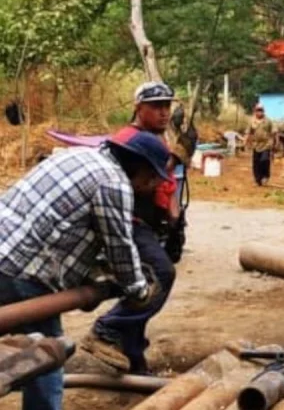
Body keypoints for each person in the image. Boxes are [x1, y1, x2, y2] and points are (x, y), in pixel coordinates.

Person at [0, 130, 167, 410]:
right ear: (140, 168)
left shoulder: (78, 156)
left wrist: (92, 277)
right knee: (48, 355)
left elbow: (67, 228)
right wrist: (138, 290)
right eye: (151, 179)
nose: (150, 186)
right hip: (21, 271)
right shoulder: (114, 183)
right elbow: (119, 246)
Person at [83, 81, 190, 375]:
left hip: (150, 222)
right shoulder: (128, 139)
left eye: (167, 106)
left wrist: (174, 218)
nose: (164, 112)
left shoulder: (156, 138)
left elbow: (163, 185)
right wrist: (176, 159)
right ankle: (107, 328)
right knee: (161, 274)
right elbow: (141, 181)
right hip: (131, 220)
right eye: (156, 107)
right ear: (138, 108)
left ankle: (134, 359)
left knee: (143, 286)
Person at [245, 103, 275, 186]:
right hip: (256, 145)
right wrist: (246, 142)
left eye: (261, 111)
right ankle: (258, 180)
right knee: (256, 163)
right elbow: (248, 132)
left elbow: (274, 132)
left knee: (264, 160)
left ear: (263, 111)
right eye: (258, 110)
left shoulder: (268, 121)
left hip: (266, 144)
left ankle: (265, 176)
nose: (259, 112)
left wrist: (276, 143)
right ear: (255, 111)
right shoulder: (252, 121)